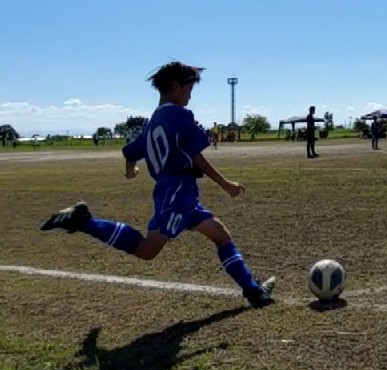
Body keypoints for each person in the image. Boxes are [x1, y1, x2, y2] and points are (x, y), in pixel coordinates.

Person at [39, 61, 275, 308]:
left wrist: (132, 172)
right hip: (178, 192)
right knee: (147, 250)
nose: (191, 94)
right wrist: (226, 184)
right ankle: (83, 221)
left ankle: (253, 292)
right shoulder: (181, 116)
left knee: (221, 235)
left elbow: (129, 152)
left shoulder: (153, 122)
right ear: (175, 87)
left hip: (177, 192)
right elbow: (197, 157)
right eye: (189, 88)